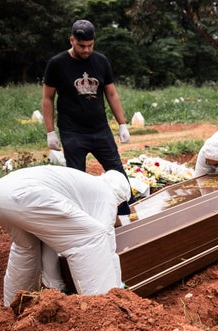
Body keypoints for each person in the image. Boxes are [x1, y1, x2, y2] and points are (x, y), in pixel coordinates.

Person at [0, 165, 131, 306]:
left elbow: (50, 242)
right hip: (26, 196)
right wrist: (117, 288)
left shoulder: (85, 186)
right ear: (121, 195)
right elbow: (106, 238)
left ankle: (15, 305)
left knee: (27, 247)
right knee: (91, 237)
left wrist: (56, 285)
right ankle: (104, 307)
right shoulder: (106, 194)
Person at [42, 19, 131, 214]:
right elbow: (48, 98)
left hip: (100, 130)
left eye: (90, 45)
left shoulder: (101, 61)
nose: (86, 50)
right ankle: (85, 219)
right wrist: (50, 131)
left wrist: (122, 124)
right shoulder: (57, 64)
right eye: (82, 46)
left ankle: (125, 215)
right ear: (71, 40)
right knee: (77, 181)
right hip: (72, 132)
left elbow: (111, 94)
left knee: (117, 173)